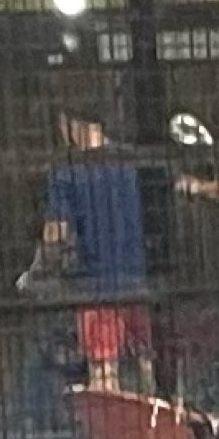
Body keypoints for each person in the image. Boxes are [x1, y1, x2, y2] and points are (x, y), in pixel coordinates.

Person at [28, 110, 152, 388]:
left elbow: (55, 234)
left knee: (103, 374)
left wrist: (36, 271)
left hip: (95, 288)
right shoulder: (130, 161)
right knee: (144, 364)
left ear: (73, 124)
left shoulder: (68, 172)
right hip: (136, 282)